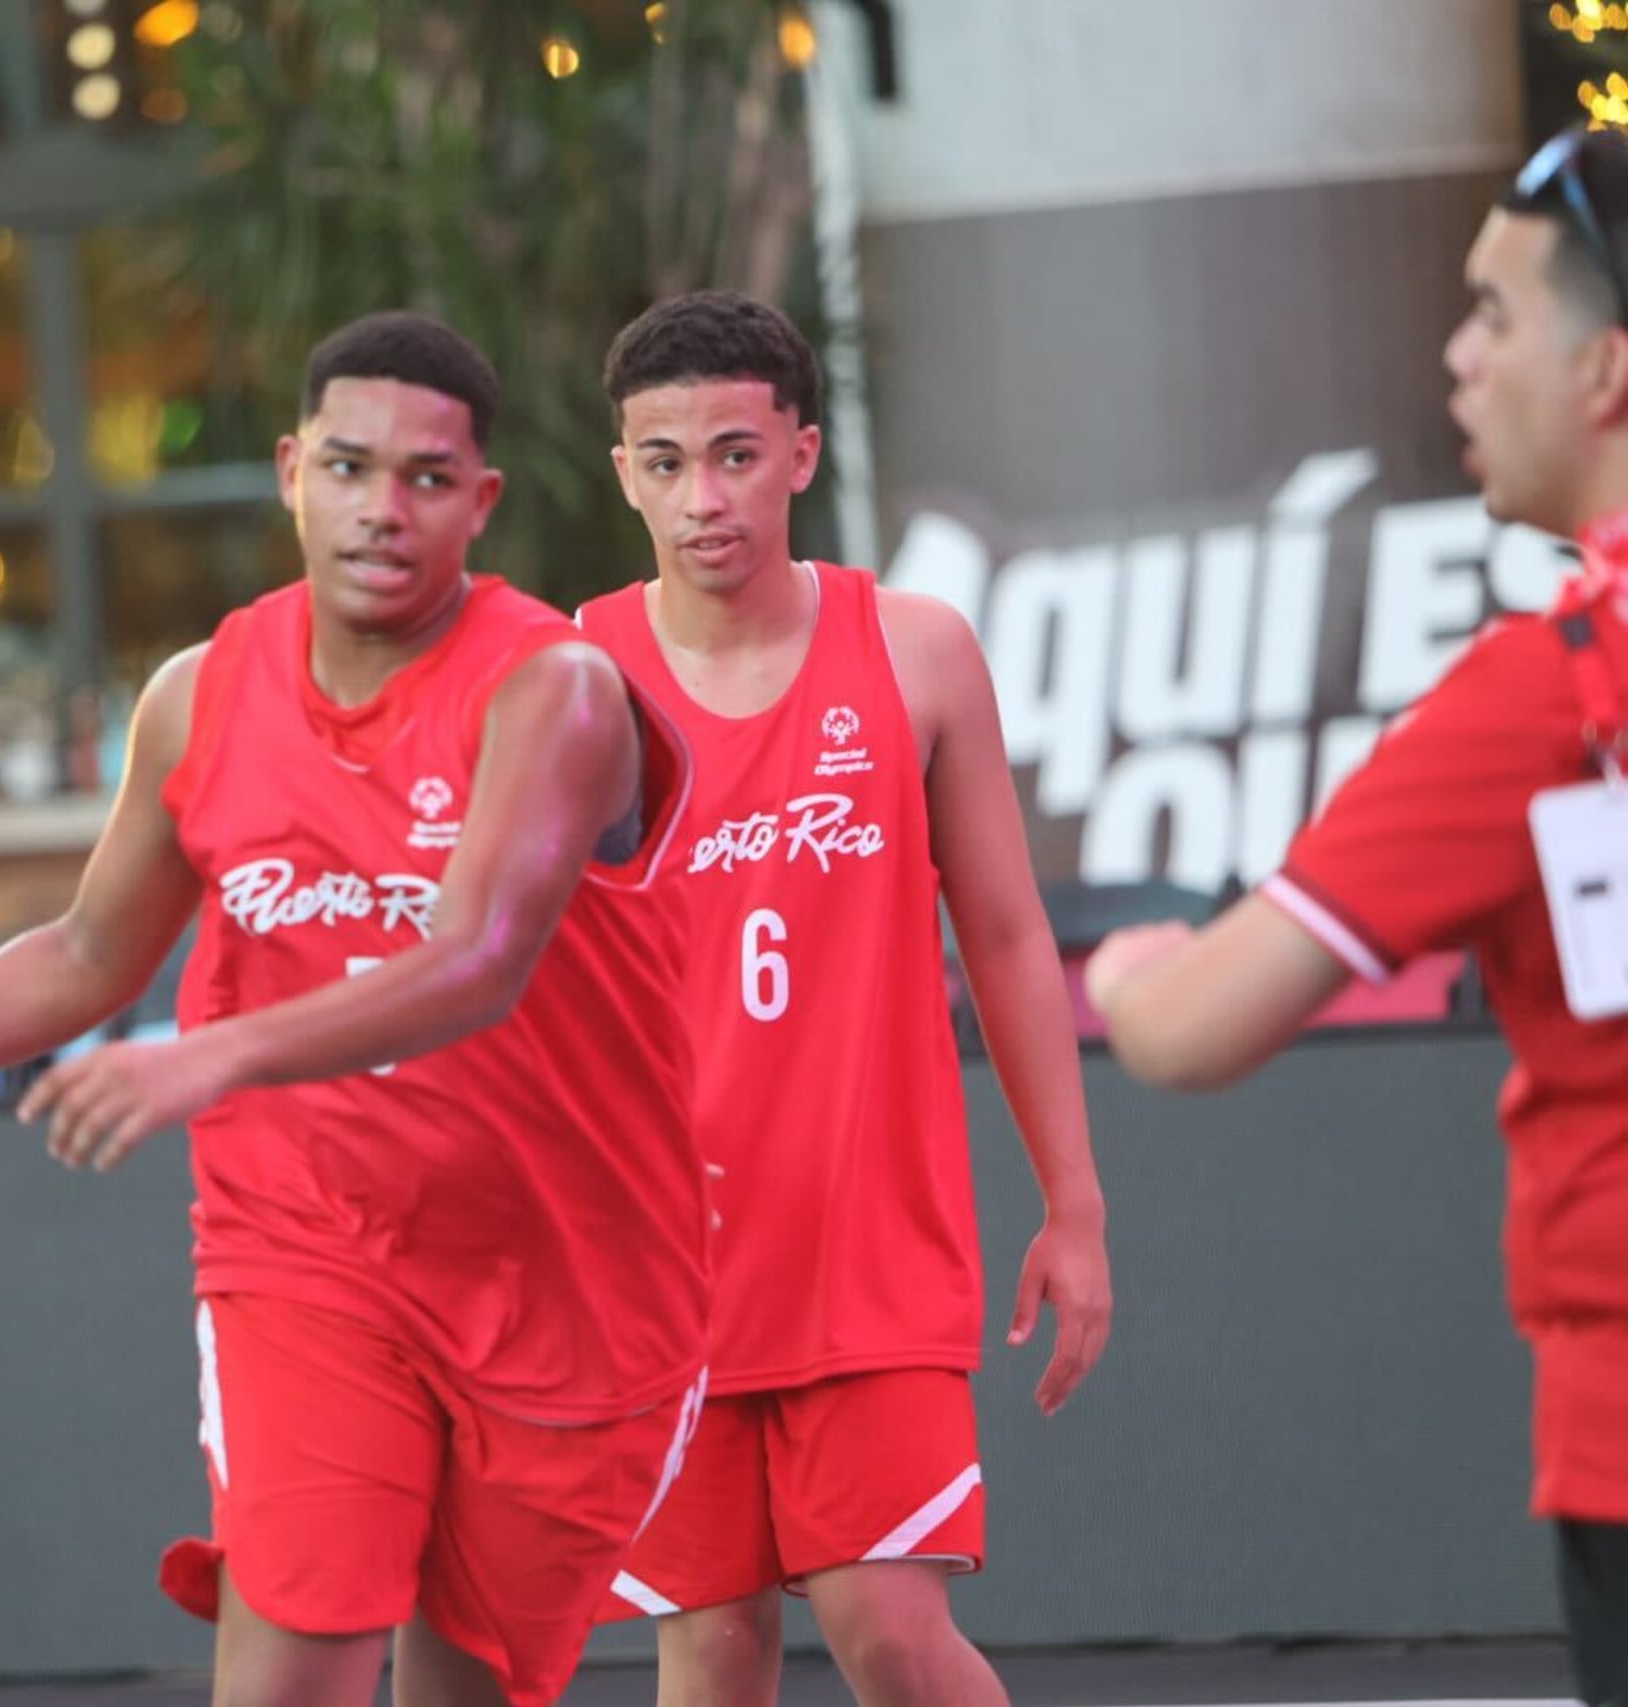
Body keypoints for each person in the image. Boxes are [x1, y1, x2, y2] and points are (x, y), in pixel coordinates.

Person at [0, 312, 704, 1707]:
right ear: (293, 472)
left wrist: (209, 1055)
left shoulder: (558, 692)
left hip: (569, 1274)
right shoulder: (198, 697)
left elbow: (477, 959)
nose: (381, 508)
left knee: (464, 1689)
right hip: (307, 1245)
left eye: (425, 478)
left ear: (481, 501)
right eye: (349, 467)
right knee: (292, 1667)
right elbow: (90, 951)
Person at [1085, 126, 1628, 1707]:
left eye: (1494, 313)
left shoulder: (1546, 695)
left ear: (1606, 372)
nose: (1458, 356)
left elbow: (1190, 1031)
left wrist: (1133, 971)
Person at [574, 291, 1113, 1707]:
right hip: (656, 1276)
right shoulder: (567, 684)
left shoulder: (916, 649)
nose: (705, 497)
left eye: (737, 455)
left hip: (871, 1255)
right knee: (711, 1648)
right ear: (624, 473)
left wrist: (1073, 1204)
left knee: (891, 1630)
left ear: (802, 453)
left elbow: (1007, 935)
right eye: (667, 461)